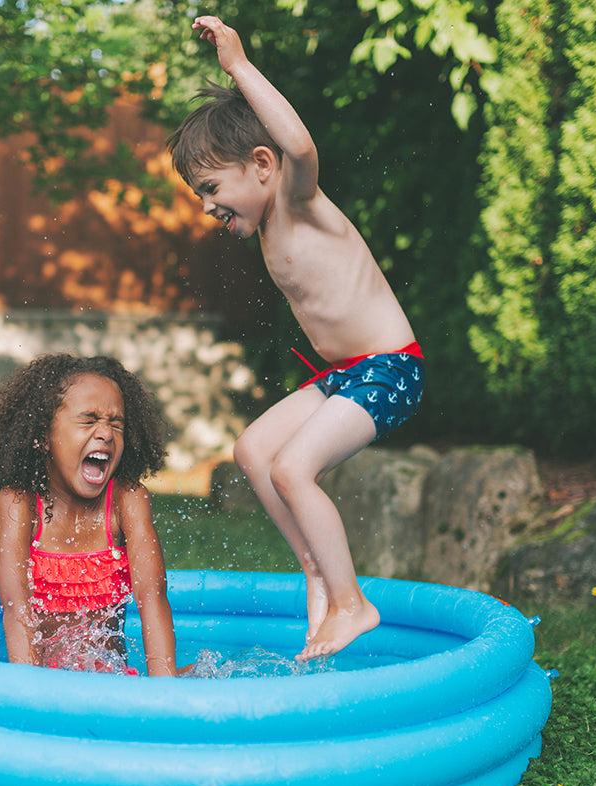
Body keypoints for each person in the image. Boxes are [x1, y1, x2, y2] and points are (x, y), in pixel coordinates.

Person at [168, 15, 425, 661]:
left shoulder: (300, 201)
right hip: (343, 375)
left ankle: (350, 601)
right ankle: (317, 569)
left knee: (293, 466)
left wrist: (239, 67)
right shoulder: (263, 228)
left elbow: (301, 148)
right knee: (253, 450)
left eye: (211, 188)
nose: (206, 205)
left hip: (390, 368)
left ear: (260, 166)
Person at [0, 354, 179, 676]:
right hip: (47, 682)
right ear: (42, 436)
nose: (106, 434)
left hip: (111, 681)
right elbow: (17, 610)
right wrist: (31, 694)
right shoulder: (21, 504)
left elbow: (152, 599)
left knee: (197, 678)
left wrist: (164, 689)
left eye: (116, 423)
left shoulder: (127, 501)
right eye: (89, 420)